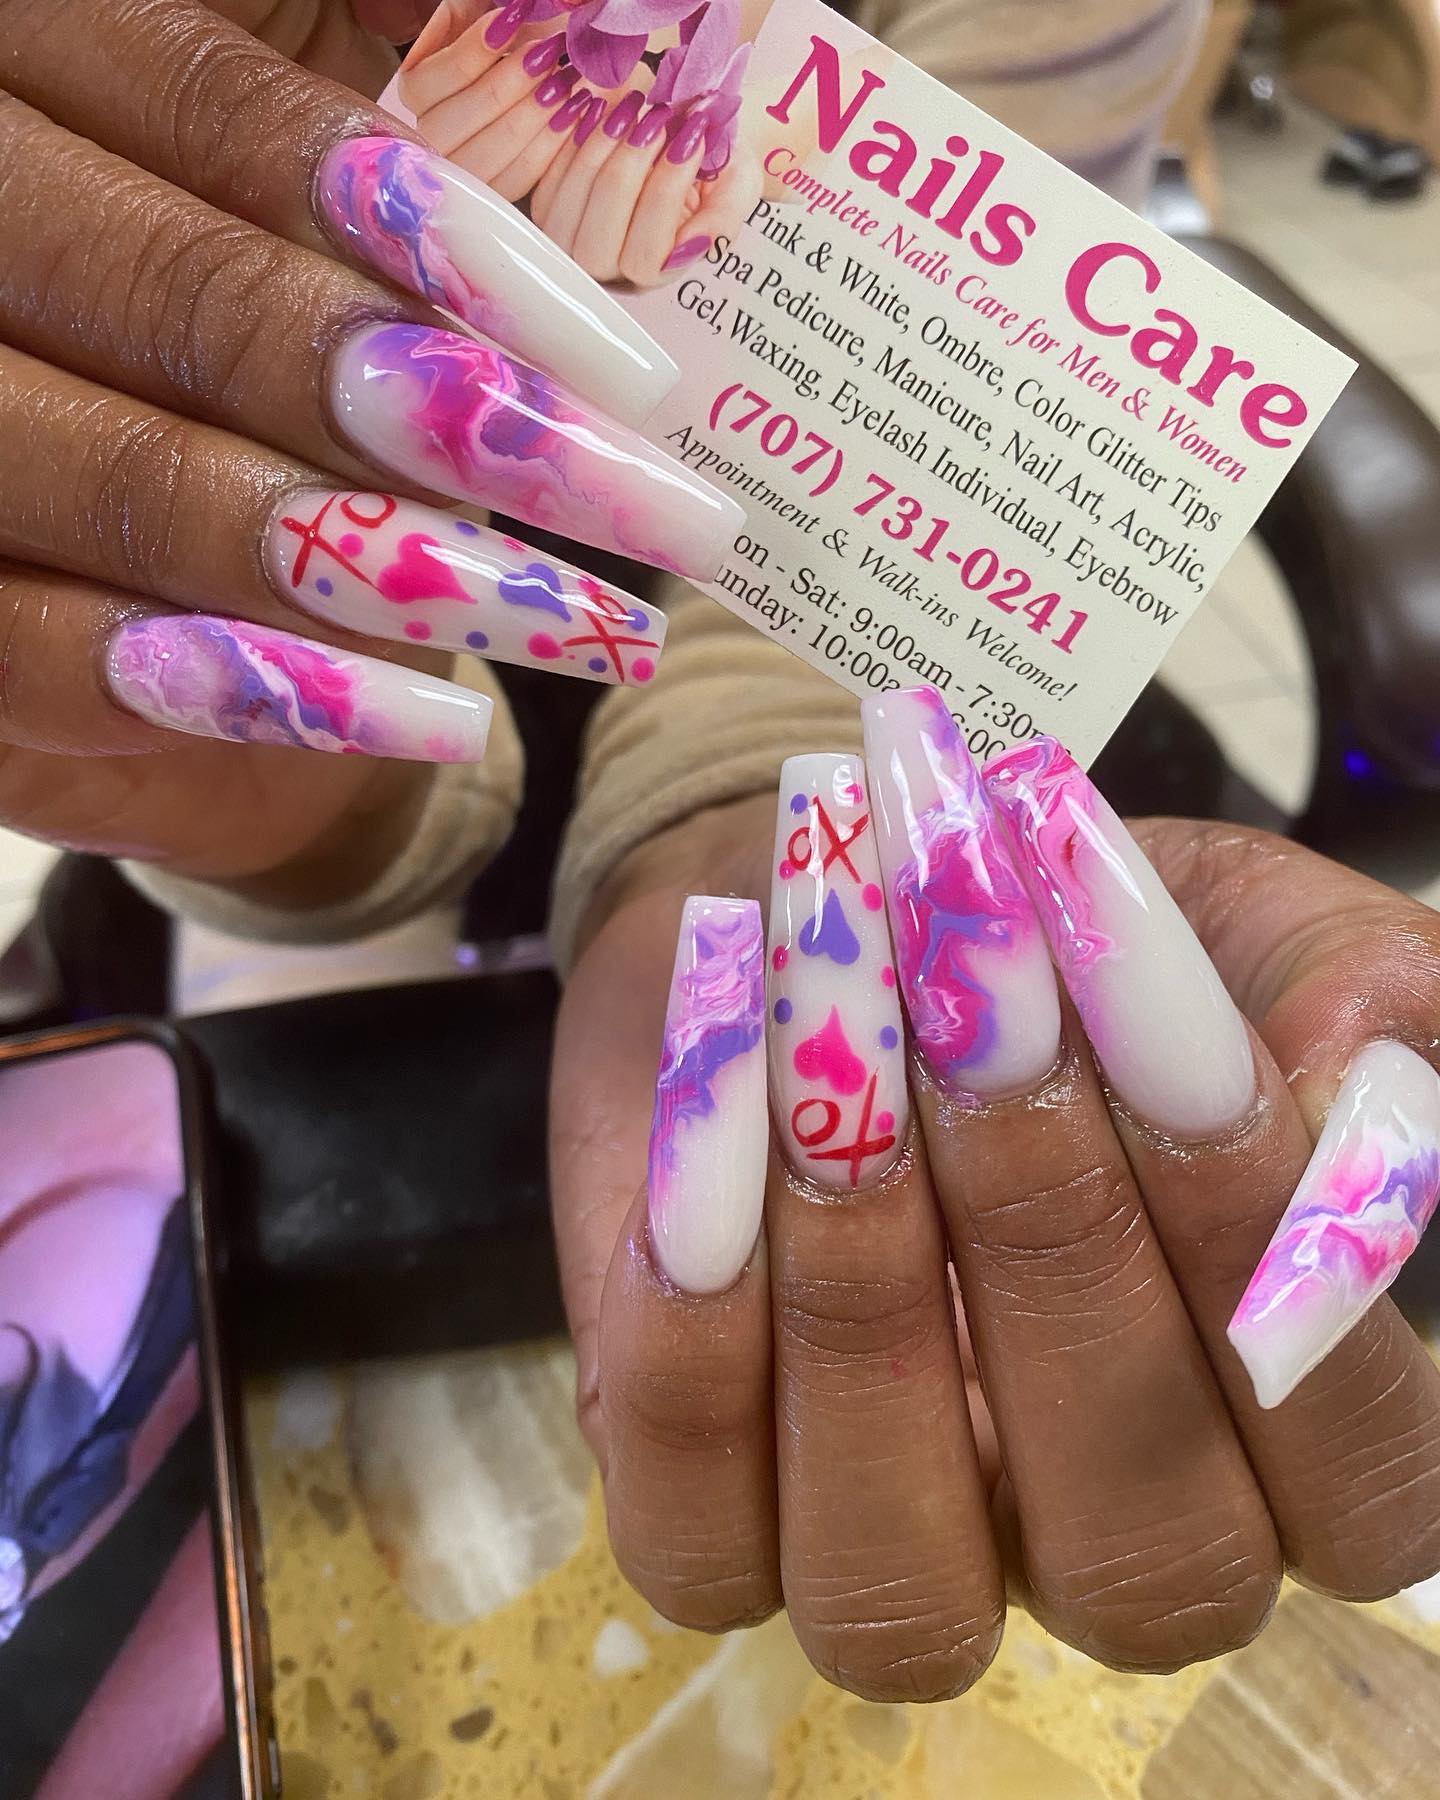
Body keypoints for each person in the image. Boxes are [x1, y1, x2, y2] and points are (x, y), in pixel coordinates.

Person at [2, 0, 1439, 1707]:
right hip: (270, 735)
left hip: (864, 694)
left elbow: (899, 489)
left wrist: (737, 825)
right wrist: (256, 782)